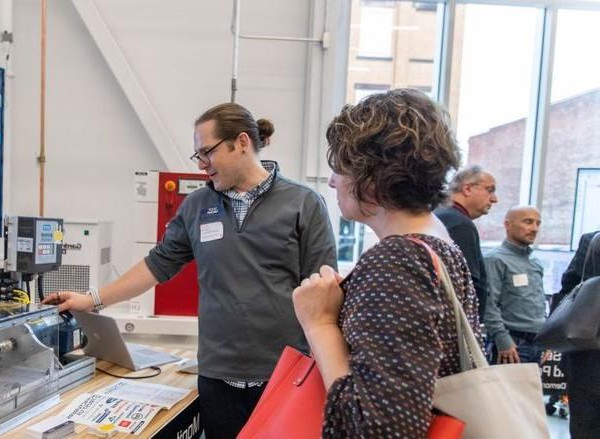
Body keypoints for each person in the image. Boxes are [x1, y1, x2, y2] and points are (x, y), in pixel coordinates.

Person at [45, 102, 337, 438]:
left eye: (206, 153)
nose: (201, 165)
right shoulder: (198, 206)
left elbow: (323, 292)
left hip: (284, 376)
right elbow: (157, 265)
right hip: (217, 379)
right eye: (196, 156)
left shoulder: (303, 203)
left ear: (241, 143)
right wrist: (92, 299)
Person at [291, 89, 482, 437]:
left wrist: (319, 323)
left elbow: (380, 430)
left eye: (341, 167)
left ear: (374, 175)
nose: (333, 180)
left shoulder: (397, 260)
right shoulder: (439, 244)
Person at [551, 231, 600, 438]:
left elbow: (569, 291)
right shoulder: (592, 240)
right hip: (587, 357)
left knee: (585, 427)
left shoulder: (592, 239)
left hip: (585, 353)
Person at [483, 206, 545, 364]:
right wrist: (502, 340)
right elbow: (489, 304)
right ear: (508, 224)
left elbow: (538, 303)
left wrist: (546, 340)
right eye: (528, 222)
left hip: (537, 342)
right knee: (505, 389)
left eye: (538, 223)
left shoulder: (535, 261)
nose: (534, 228)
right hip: (511, 343)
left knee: (528, 390)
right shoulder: (495, 259)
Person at [435, 165, 497, 321]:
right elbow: (466, 286)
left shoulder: (438, 215)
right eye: (490, 190)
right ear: (467, 189)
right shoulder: (460, 224)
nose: (495, 199)